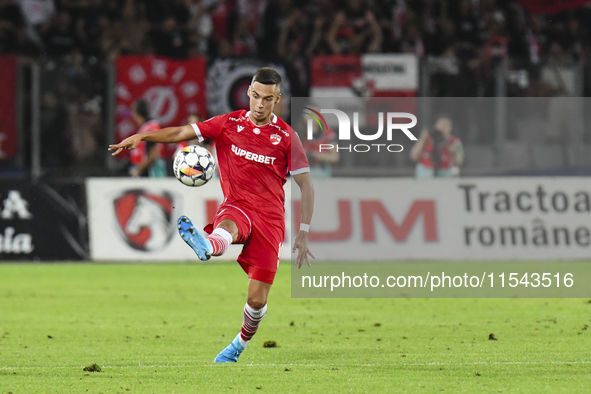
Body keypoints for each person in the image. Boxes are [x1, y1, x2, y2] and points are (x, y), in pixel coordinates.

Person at [109, 67, 315, 363]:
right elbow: (181, 132)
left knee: (256, 301)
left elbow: (306, 186)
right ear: (248, 93)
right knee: (227, 226)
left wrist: (304, 230)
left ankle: (238, 346)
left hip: (270, 219)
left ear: (278, 99)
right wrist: (142, 137)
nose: (259, 104)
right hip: (238, 205)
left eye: (267, 99)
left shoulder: (287, 137)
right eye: (255, 96)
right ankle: (207, 245)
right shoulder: (227, 123)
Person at [128, 99, 167, 178]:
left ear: (137, 113)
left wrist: (139, 170)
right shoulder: (147, 127)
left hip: (151, 174)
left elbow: (153, 154)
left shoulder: (149, 129)